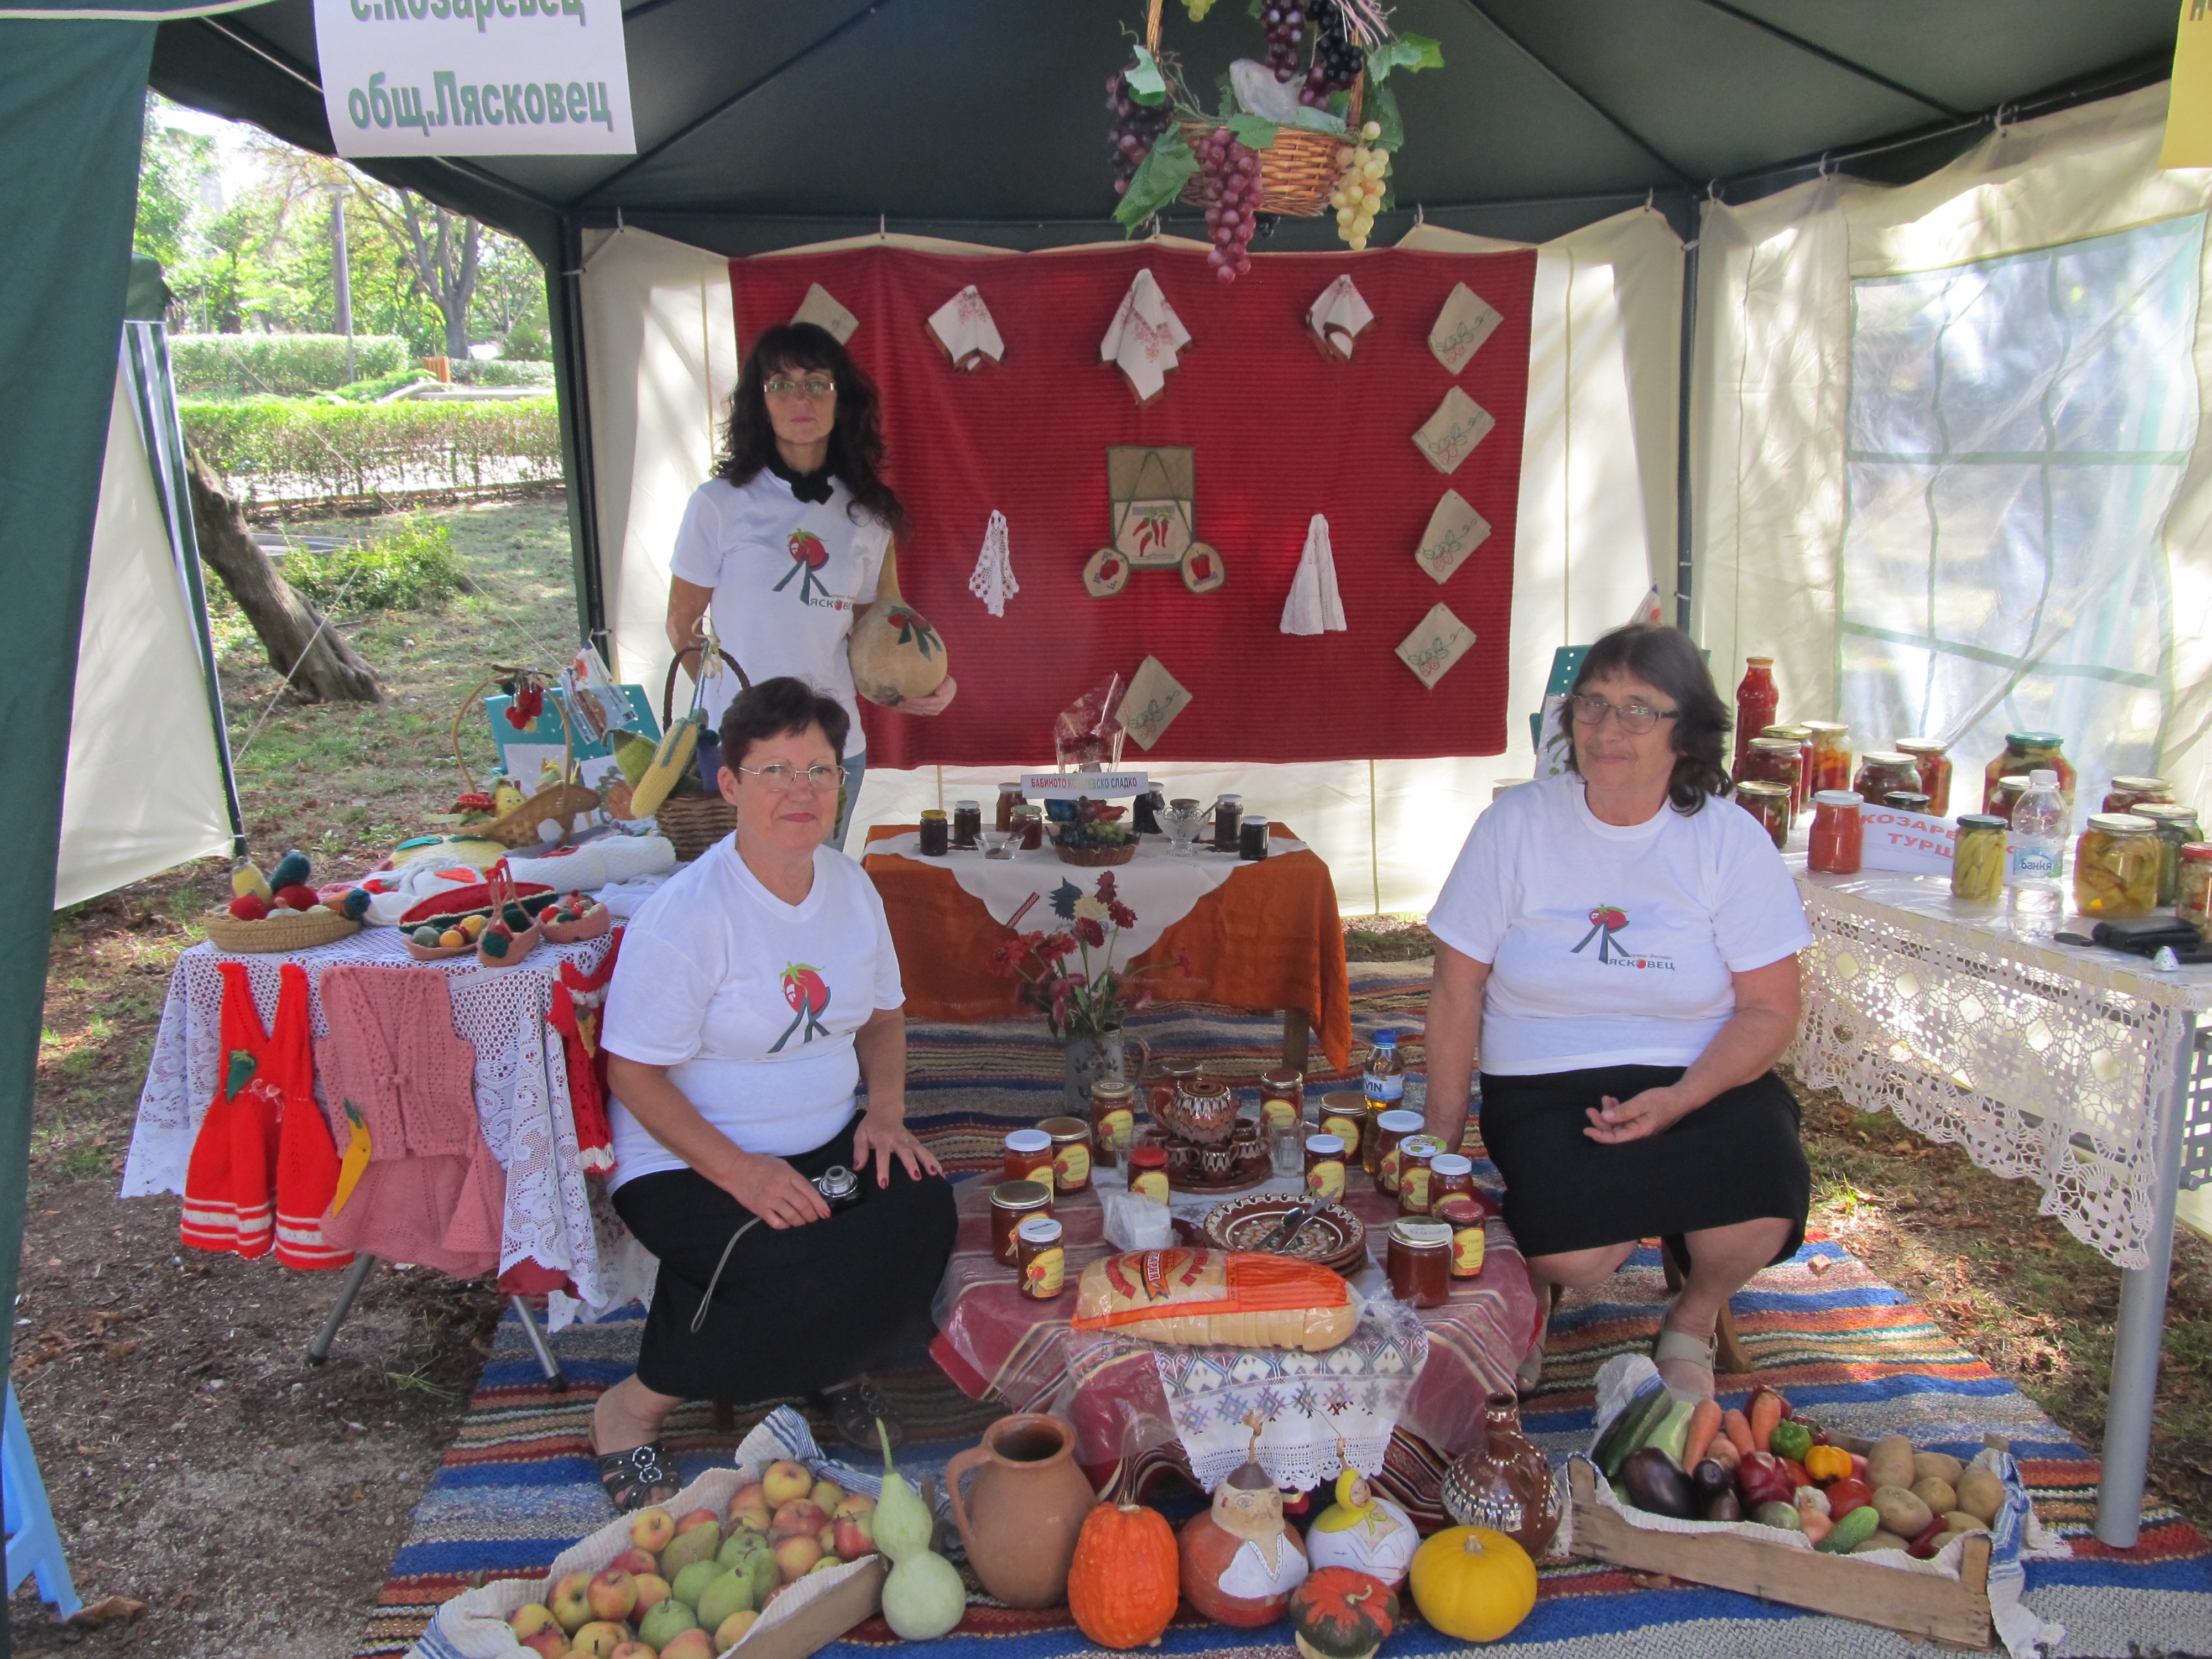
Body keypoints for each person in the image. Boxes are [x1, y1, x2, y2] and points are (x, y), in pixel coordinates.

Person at [588, 676, 956, 1511]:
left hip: (826, 1137)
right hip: (688, 1159)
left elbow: (884, 1018)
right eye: (776, 772)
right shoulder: (688, 914)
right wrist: (741, 1171)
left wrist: (885, 1113)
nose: (802, 791)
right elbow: (632, 1074)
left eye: (819, 770)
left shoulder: (852, 887)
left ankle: (829, 1362)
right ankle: (632, 1409)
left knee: (922, 1209)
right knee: (778, 1256)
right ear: (730, 784)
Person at [1421, 624, 1812, 1399]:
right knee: (1576, 1252)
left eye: (1639, 709)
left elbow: (1769, 1012)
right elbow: (1455, 989)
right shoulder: (1516, 824)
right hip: (1548, 1077)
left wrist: (1682, 1098)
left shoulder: (1729, 840)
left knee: (1760, 1209)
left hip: (1700, 1074)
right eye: (1593, 704)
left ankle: (1691, 1319)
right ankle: (1536, 1289)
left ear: (1686, 732)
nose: (1606, 728)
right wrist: (1439, 1149)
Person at [666, 322, 956, 848]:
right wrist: (727, 704)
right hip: (746, 748)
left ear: (841, 400)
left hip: (833, 747)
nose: (801, 399)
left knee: (819, 884)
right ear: (760, 402)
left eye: (817, 383)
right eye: (781, 384)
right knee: (744, 889)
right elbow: (681, 626)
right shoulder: (719, 504)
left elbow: (871, 638)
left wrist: (926, 682)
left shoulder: (868, 515)